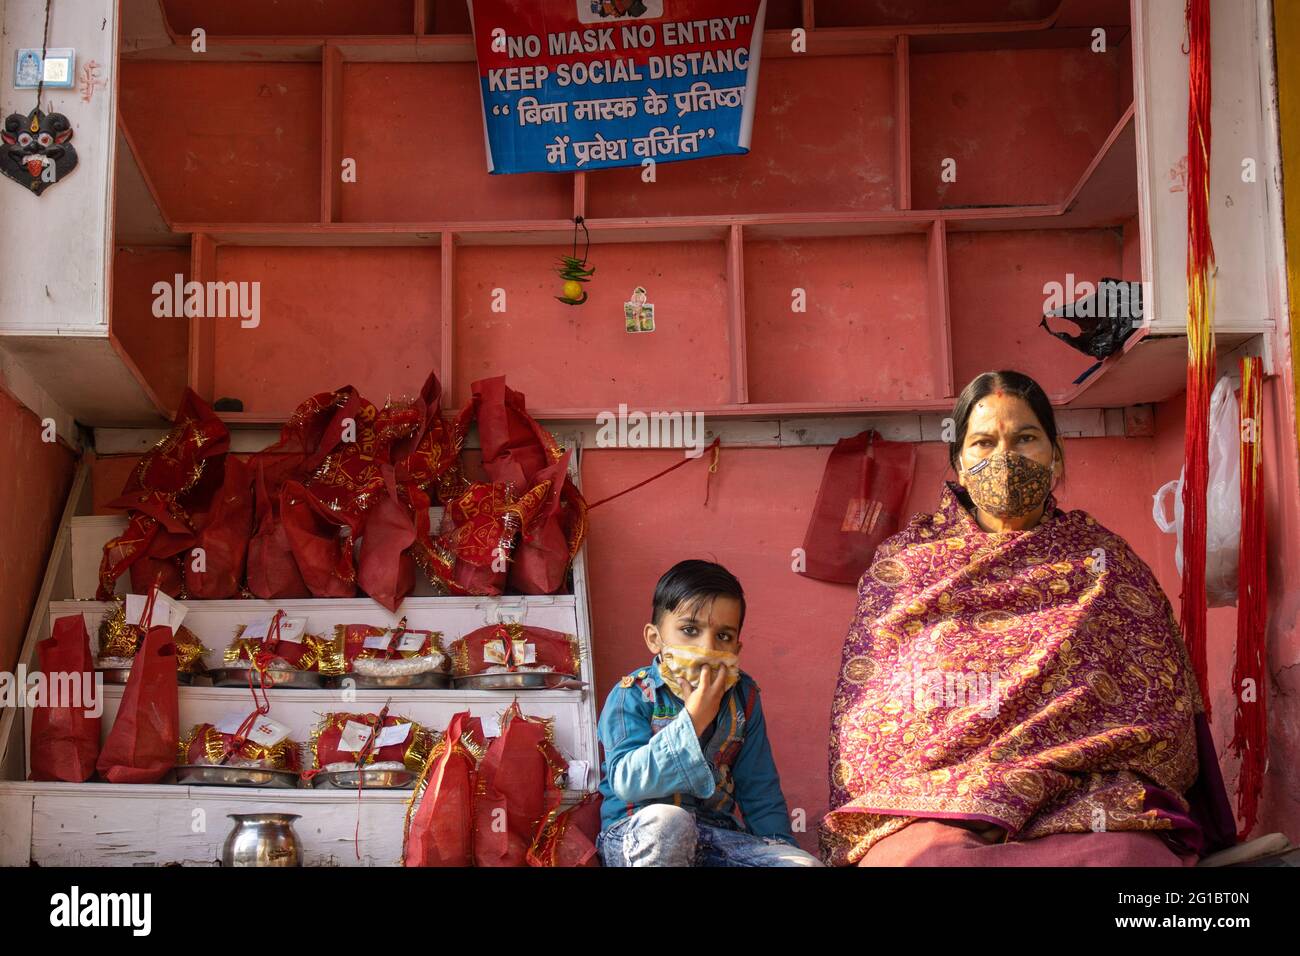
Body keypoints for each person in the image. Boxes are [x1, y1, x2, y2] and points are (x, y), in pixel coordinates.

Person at [821, 370, 1237, 866]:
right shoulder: (907, 568)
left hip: (1089, 794)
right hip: (940, 800)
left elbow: (1158, 709)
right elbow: (872, 721)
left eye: (1025, 438)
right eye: (983, 442)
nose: (1005, 458)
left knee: (1124, 857)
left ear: (1055, 453)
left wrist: (1058, 764)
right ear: (957, 460)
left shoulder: (1104, 561)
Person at [596, 559, 822, 866]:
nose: (706, 648)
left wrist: (780, 848)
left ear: (736, 651)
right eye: (690, 630)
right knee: (669, 822)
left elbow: (759, 789)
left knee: (803, 865)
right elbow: (626, 781)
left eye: (723, 637)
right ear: (654, 639)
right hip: (638, 836)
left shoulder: (745, 698)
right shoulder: (633, 694)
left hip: (716, 838)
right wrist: (695, 718)